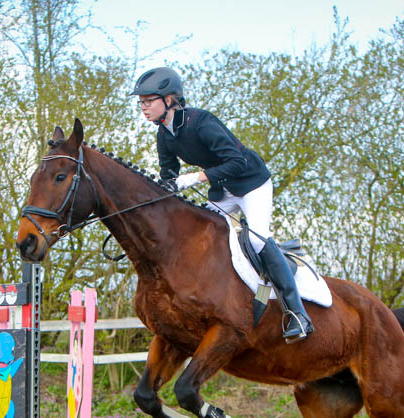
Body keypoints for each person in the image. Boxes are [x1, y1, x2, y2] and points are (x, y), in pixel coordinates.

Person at [131, 66, 313, 342]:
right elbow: (168, 175)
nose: (143, 107)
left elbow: (237, 162)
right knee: (197, 235)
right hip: (223, 191)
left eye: (148, 101)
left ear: (168, 100)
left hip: (251, 184)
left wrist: (196, 178)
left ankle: (297, 313)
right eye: (141, 102)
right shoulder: (164, 135)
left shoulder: (201, 122)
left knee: (257, 240)